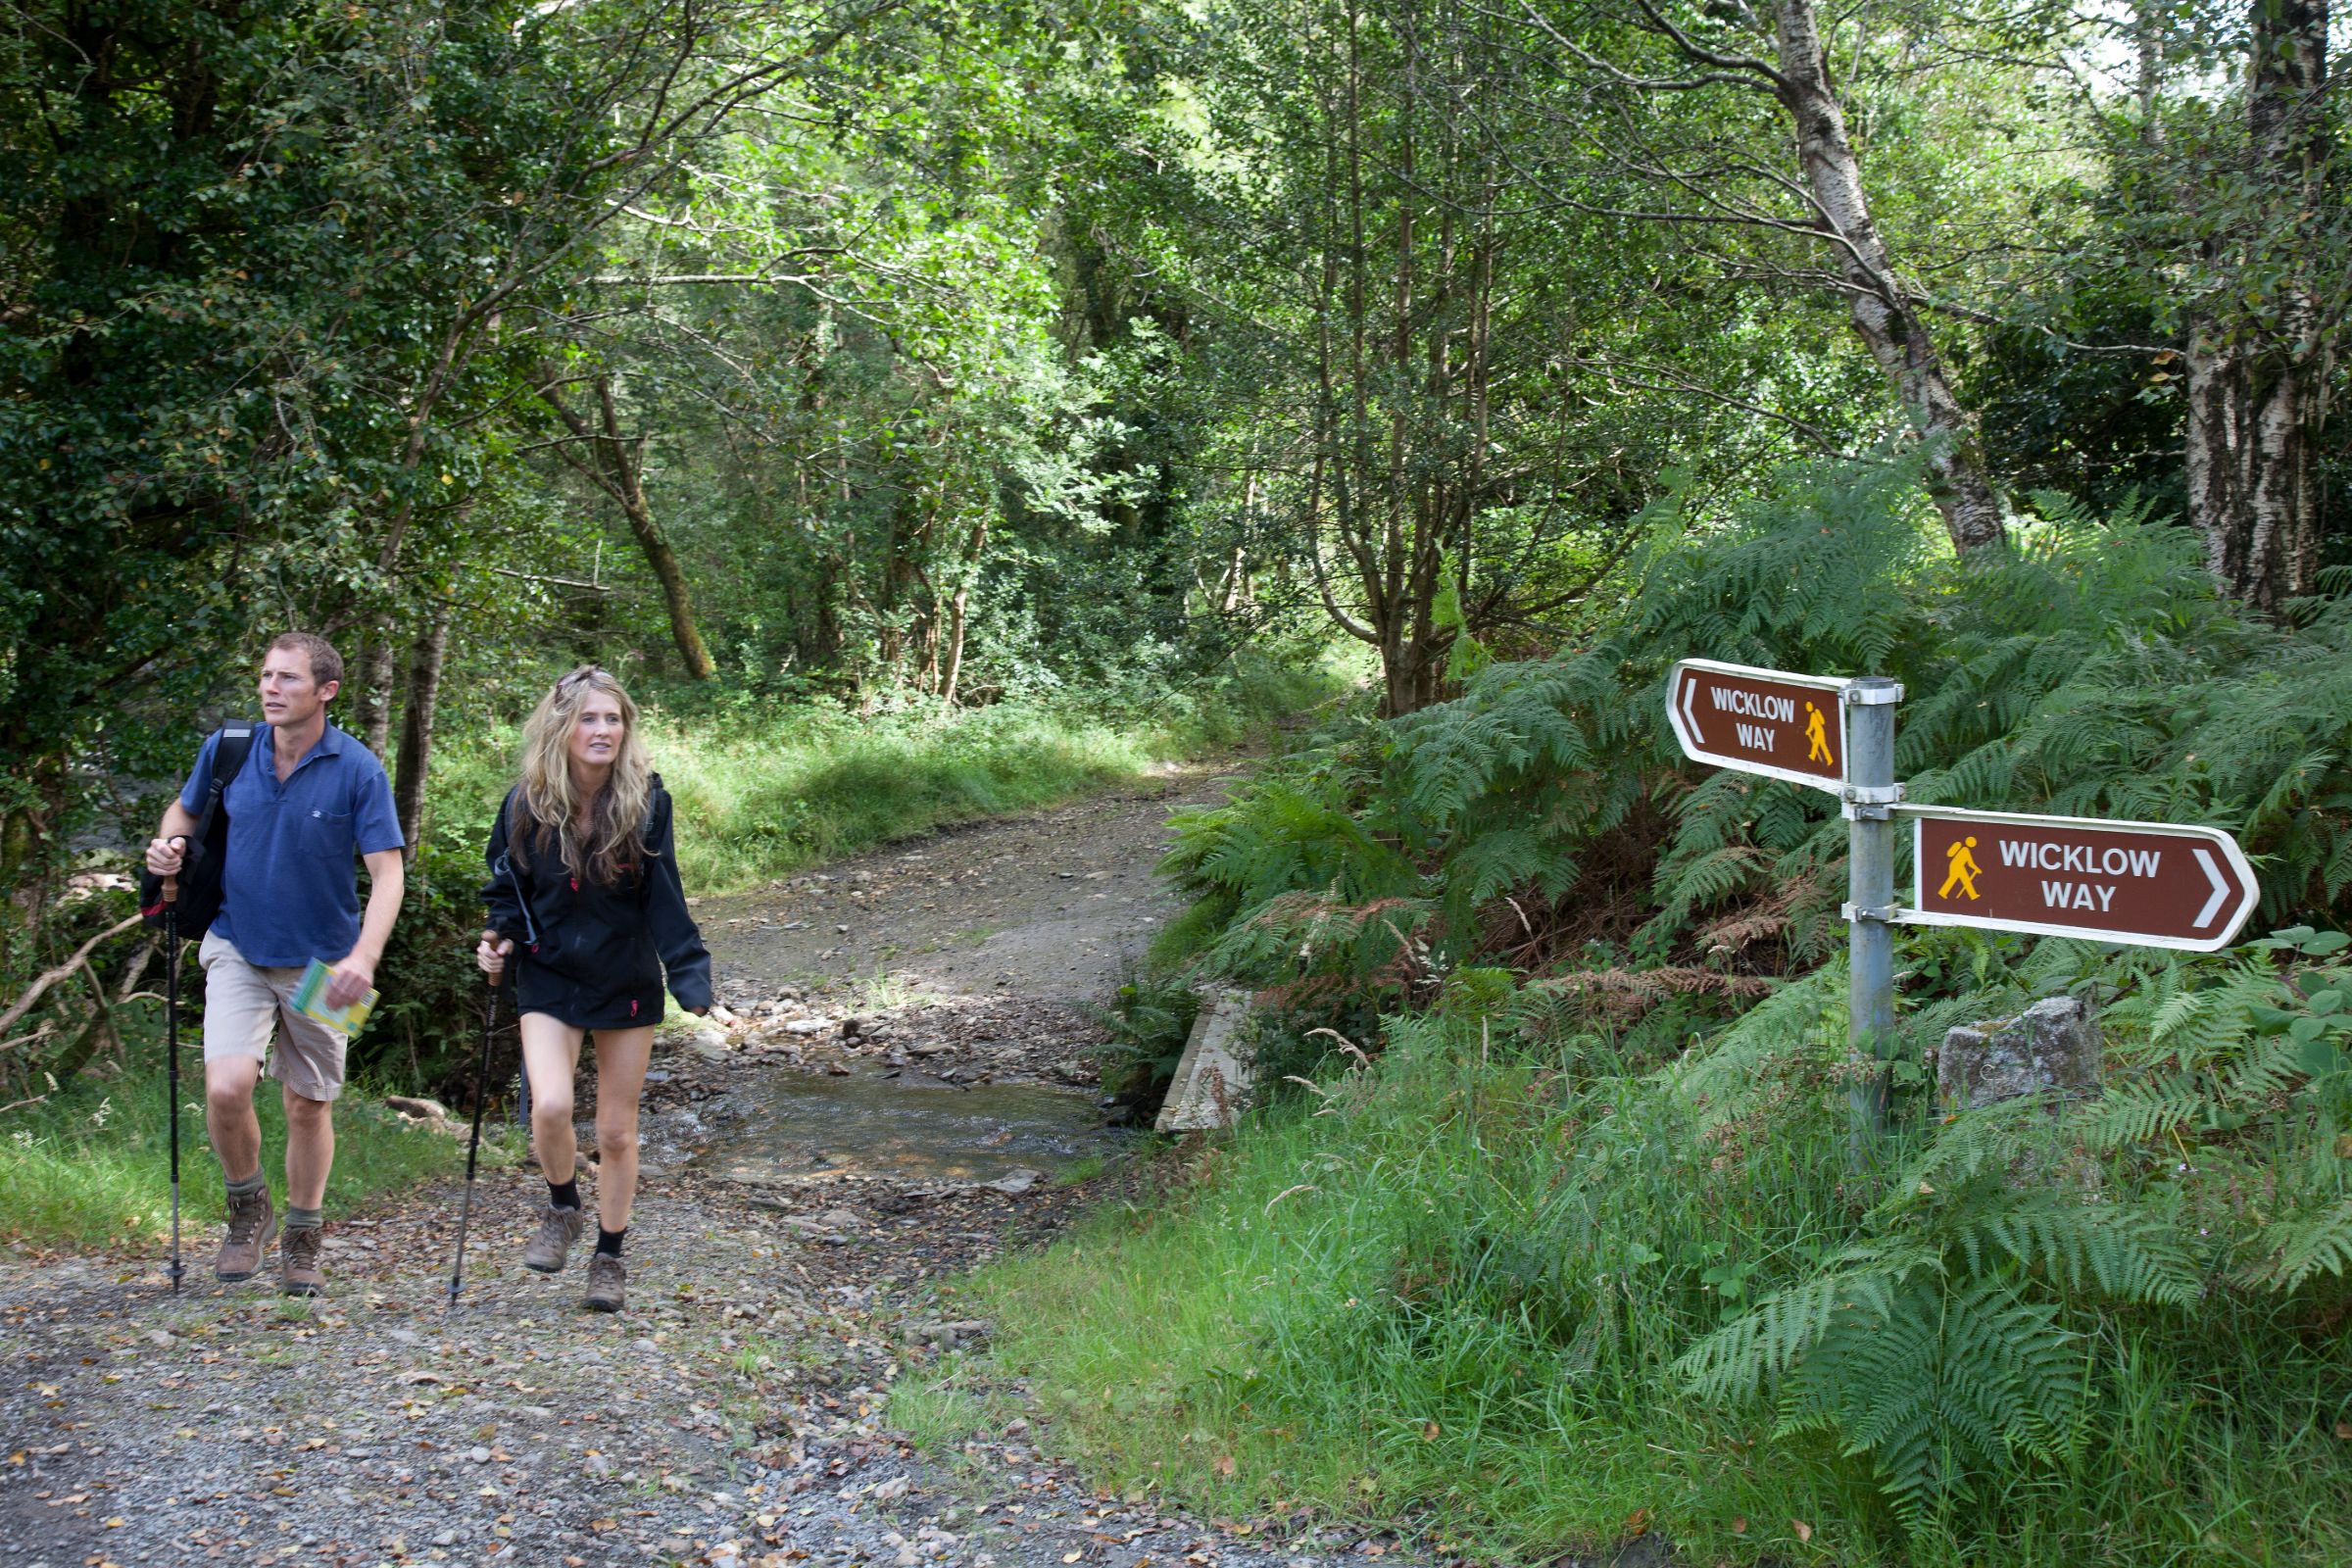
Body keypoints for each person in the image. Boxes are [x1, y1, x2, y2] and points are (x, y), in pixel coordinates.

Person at [144, 633, 406, 1297]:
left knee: (309, 1106)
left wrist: (364, 959)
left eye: (287, 678)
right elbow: (185, 809)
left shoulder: (358, 768)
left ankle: (303, 1234)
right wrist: (170, 844)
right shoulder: (230, 749)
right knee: (227, 1087)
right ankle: (246, 1207)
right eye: (265, 675)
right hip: (236, 943)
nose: (269, 688)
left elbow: (388, 873)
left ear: (325, 691)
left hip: (330, 962)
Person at [476, 665, 710, 1313]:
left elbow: (665, 898)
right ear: (561, 727)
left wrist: (689, 972)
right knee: (549, 1108)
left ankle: (610, 1256)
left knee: (614, 1132)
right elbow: (507, 886)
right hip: (548, 969)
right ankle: (562, 1208)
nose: (602, 730)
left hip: (624, 974)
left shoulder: (646, 801)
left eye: (613, 719)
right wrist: (499, 936)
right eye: (589, 718)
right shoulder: (525, 801)